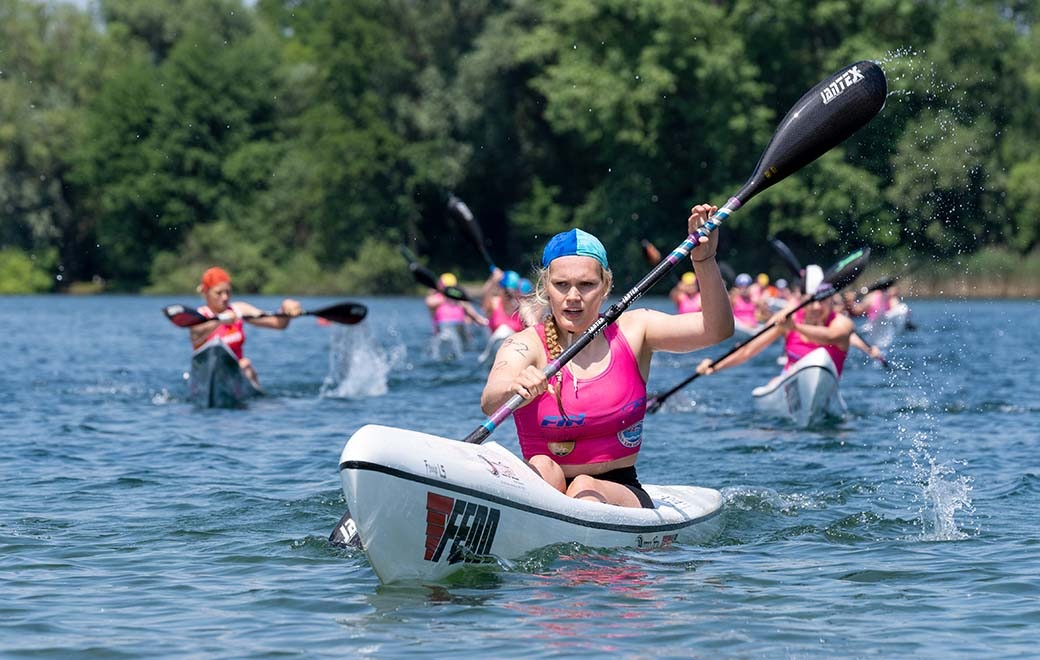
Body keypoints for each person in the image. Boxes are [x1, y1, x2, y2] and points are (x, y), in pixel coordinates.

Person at [481, 204, 733, 508]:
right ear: (546, 288)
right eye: (562, 285)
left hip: (619, 490)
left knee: (584, 487)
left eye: (586, 284)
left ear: (605, 286)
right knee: (544, 467)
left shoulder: (635, 329)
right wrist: (515, 387)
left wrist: (704, 259)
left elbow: (716, 329)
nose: (573, 296)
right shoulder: (524, 345)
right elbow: (490, 401)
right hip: (544, 488)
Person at [696, 264, 854, 388]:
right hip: (789, 381)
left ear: (831, 299)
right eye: (811, 301)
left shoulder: (841, 322)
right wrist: (715, 366)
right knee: (773, 383)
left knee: (819, 358)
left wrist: (797, 328)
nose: (816, 307)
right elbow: (749, 349)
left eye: (823, 300)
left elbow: (832, 336)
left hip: (828, 384)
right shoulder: (786, 318)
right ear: (802, 300)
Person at [190, 266, 302, 387]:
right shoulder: (198, 316)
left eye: (228, 292)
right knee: (242, 364)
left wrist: (286, 310)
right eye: (219, 293)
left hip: (237, 371)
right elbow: (196, 334)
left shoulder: (239, 310)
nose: (225, 297)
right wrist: (220, 320)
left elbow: (278, 324)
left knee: (246, 365)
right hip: (207, 375)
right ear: (206, 292)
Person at [425, 272, 488, 357]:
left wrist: (484, 321)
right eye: (447, 288)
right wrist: (447, 296)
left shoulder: (460, 301)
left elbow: (474, 315)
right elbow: (429, 302)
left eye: (452, 288)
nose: (450, 290)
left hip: (459, 328)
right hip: (443, 329)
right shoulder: (437, 299)